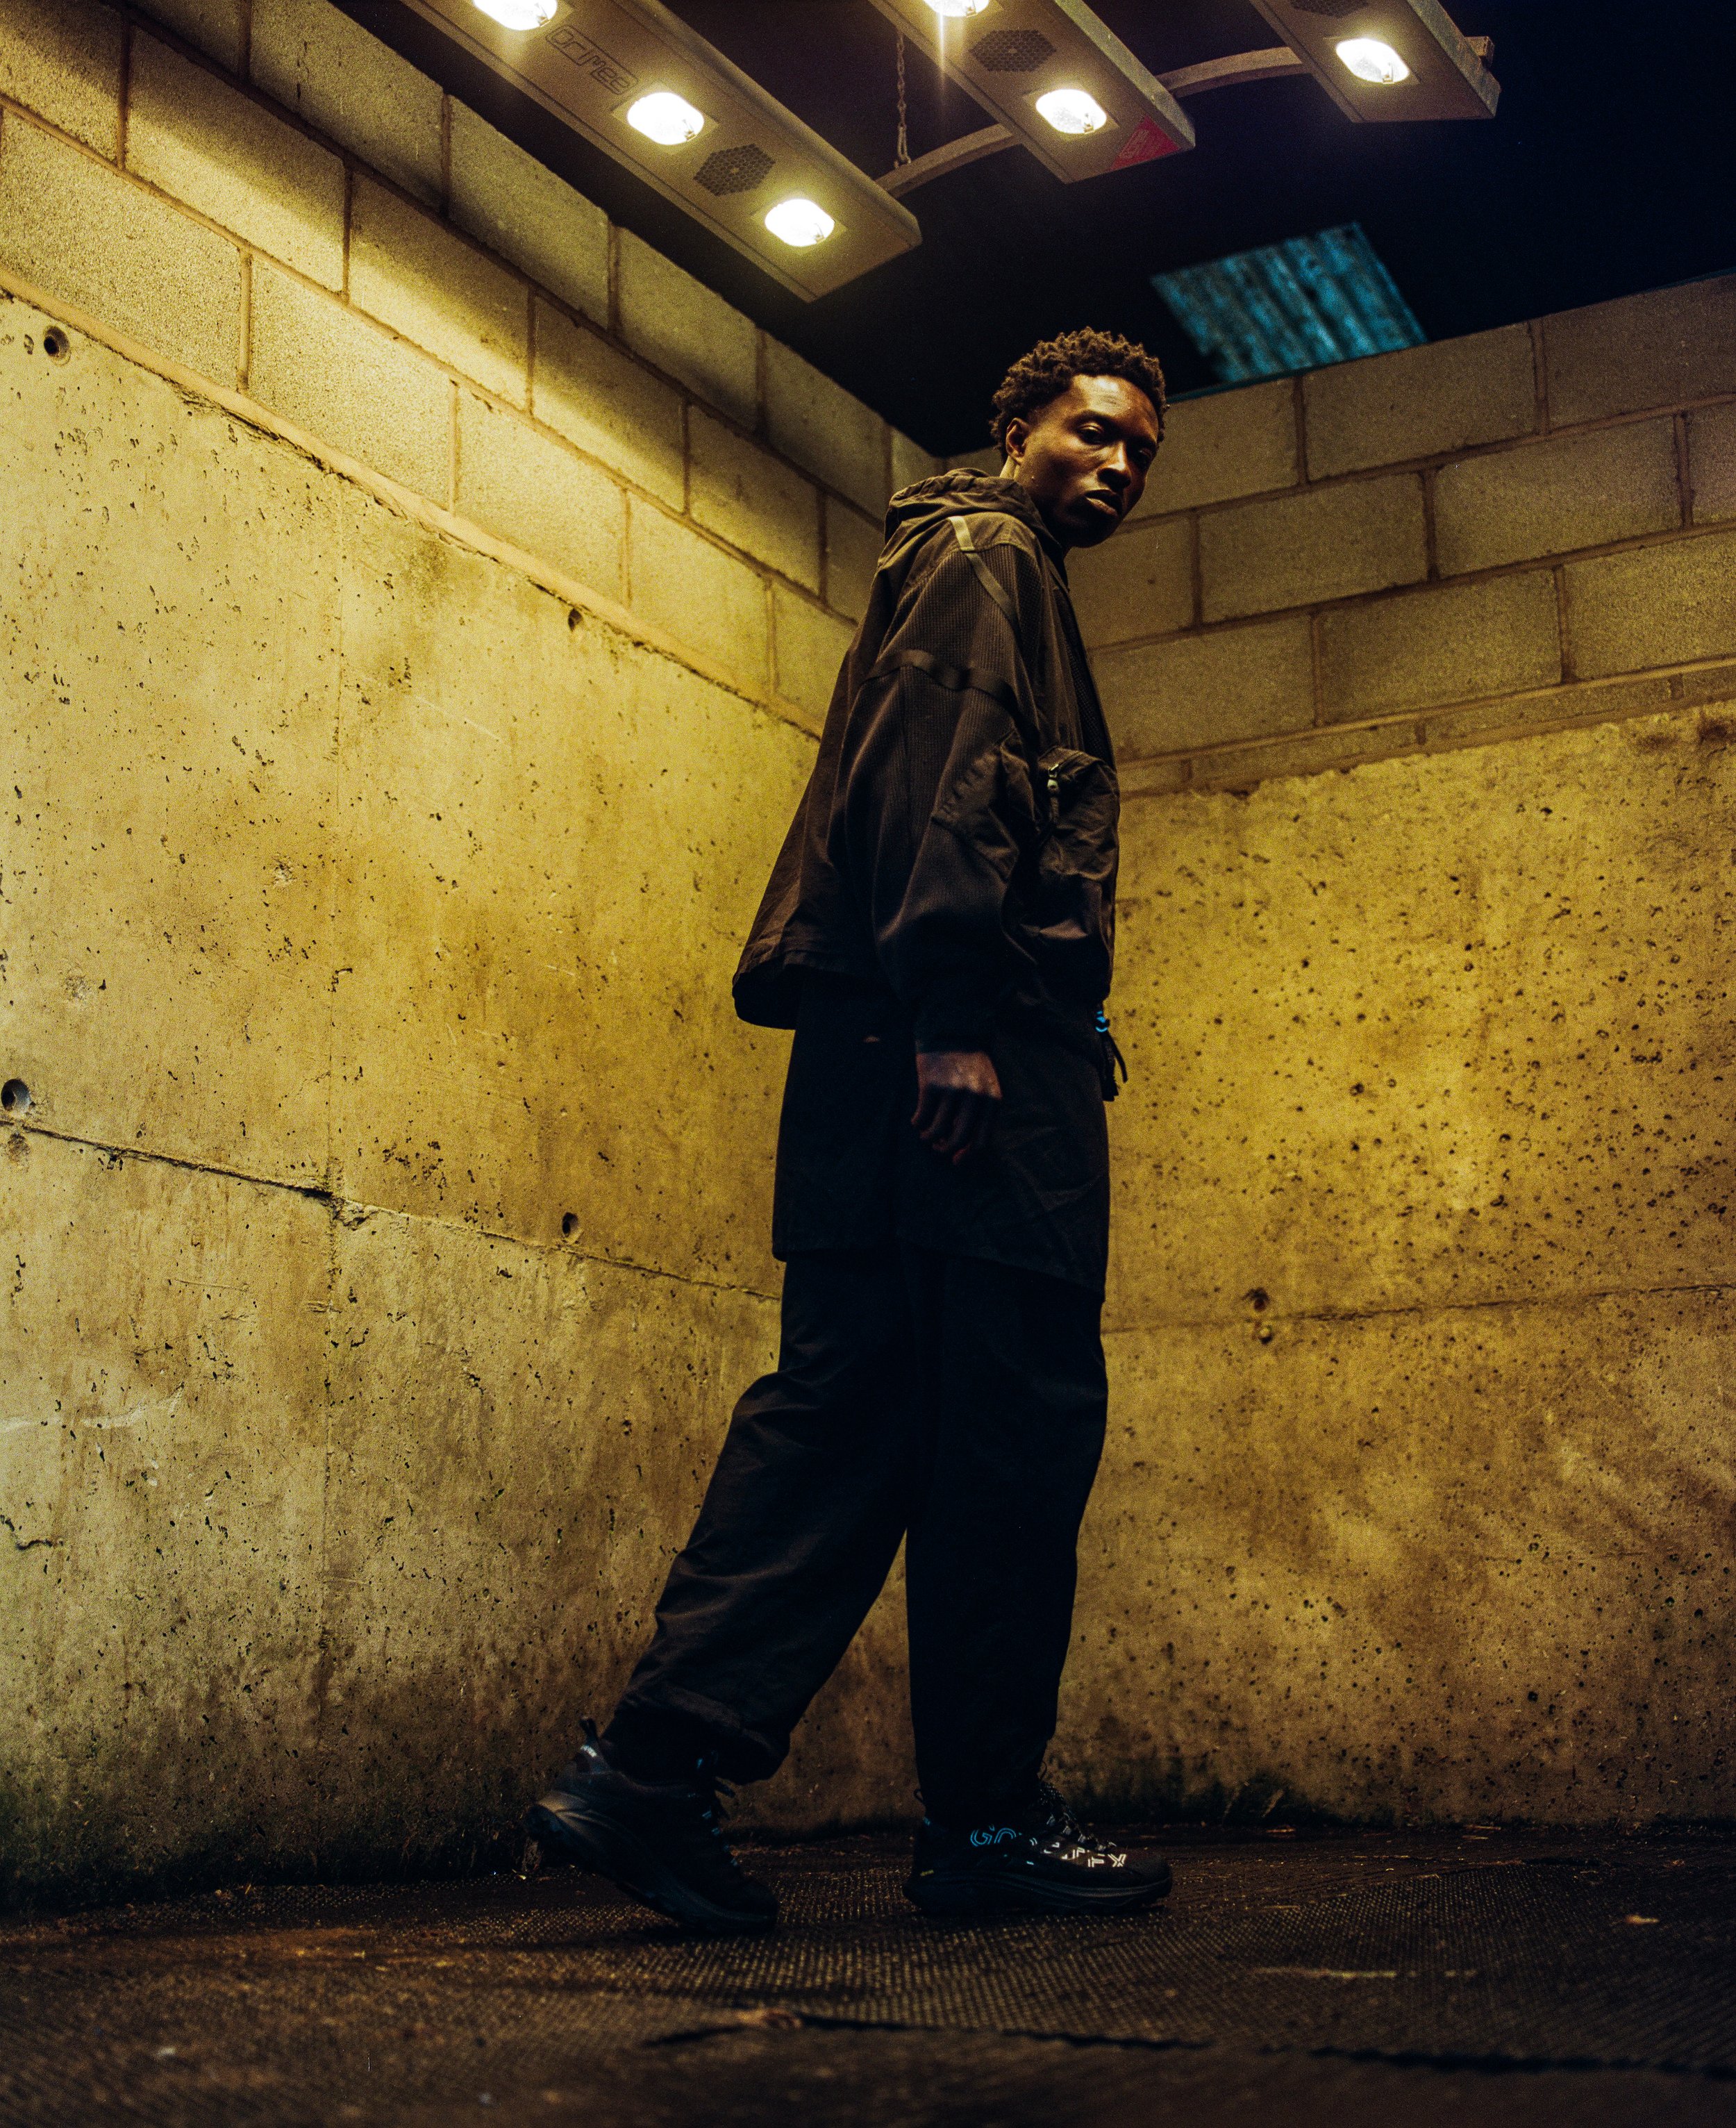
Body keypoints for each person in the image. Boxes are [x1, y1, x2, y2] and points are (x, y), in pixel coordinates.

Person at [524, 329, 1171, 1933]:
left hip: (879, 1062)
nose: (1116, 466)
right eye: (1090, 431)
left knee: (846, 1422)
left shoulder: (967, 555)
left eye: (1138, 452)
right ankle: (983, 1829)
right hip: (956, 1064)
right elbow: (945, 782)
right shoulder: (983, 554)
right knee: (1005, 1444)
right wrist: (956, 1017)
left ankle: (654, 1770)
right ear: (1015, 421)